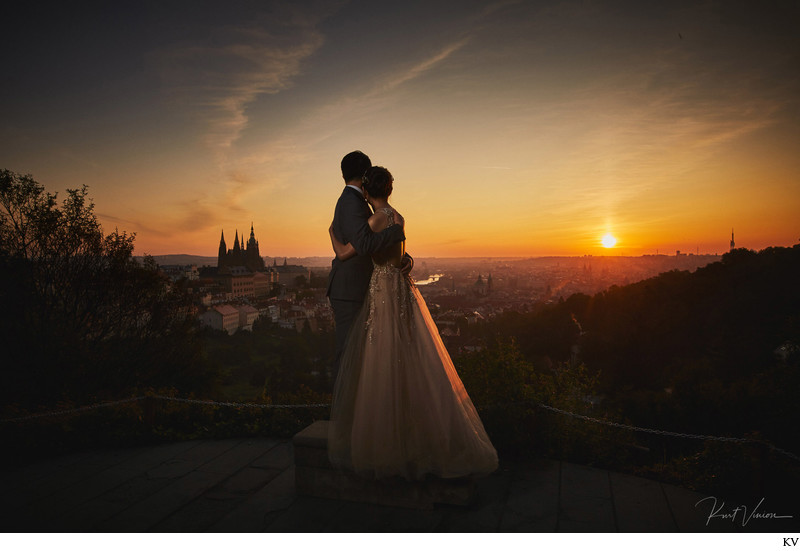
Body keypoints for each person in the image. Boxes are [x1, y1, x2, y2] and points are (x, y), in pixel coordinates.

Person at [327, 166, 498, 481]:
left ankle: (387, 435)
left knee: (382, 353)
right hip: (402, 289)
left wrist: (332, 234)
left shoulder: (374, 220)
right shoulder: (398, 217)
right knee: (408, 349)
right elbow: (397, 253)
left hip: (382, 288)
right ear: (389, 190)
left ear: (366, 192)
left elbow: (347, 253)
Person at [326, 151, 407, 386]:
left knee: (361, 352)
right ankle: (343, 415)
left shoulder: (361, 203)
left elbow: (374, 240)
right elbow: (364, 243)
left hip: (361, 287)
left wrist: (402, 258)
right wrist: (397, 232)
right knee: (348, 352)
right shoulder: (352, 203)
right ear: (364, 177)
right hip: (350, 290)